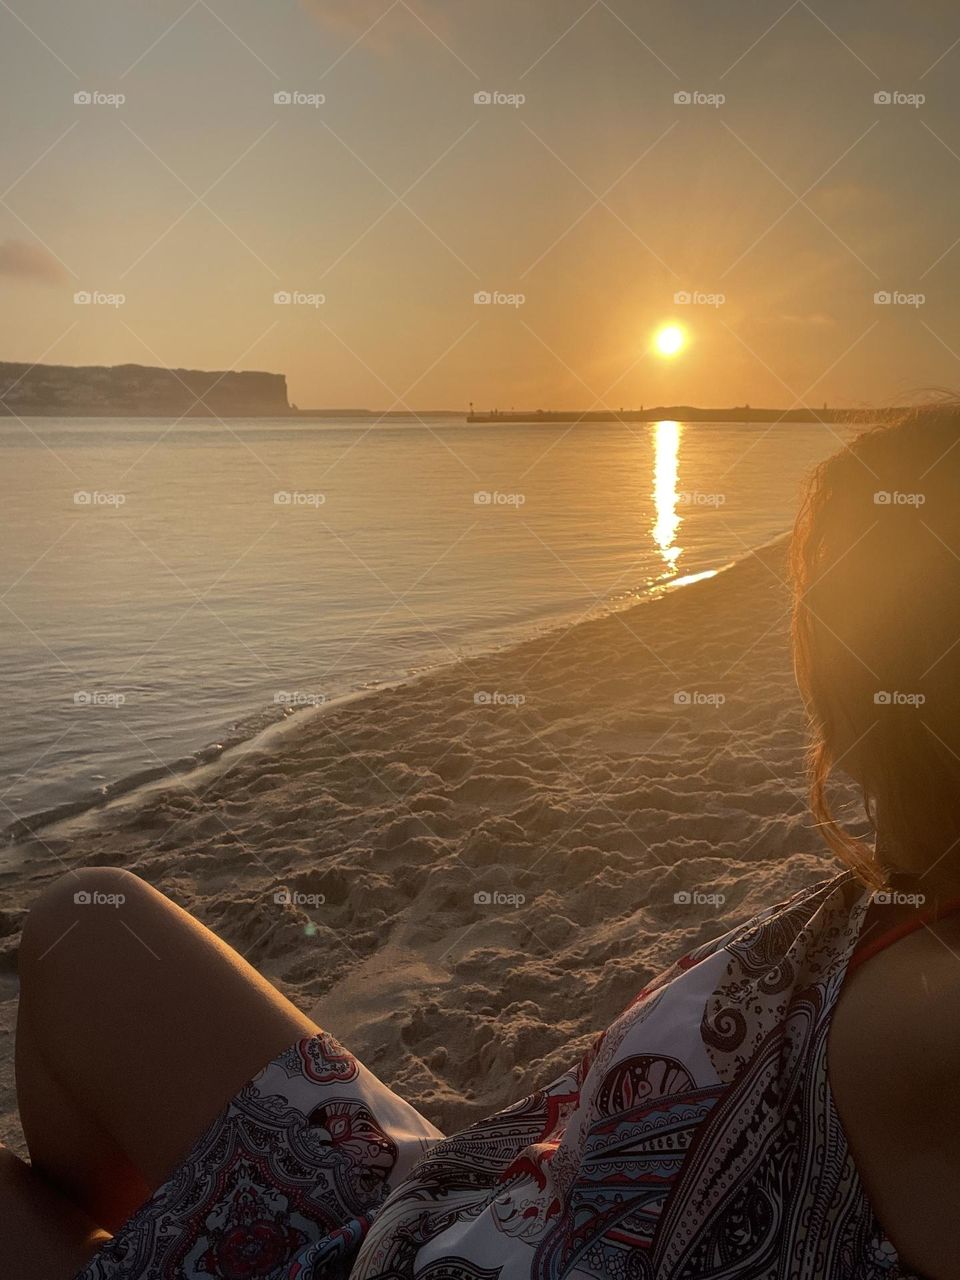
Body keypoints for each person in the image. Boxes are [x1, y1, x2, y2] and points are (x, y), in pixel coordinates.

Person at [6, 408, 960, 1280]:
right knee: (85, 924)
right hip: (454, 1201)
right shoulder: (910, 896)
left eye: (830, 600)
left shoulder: (932, 1013)